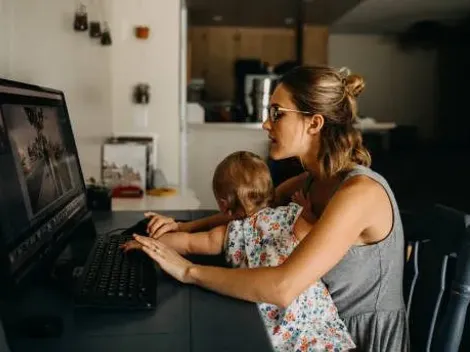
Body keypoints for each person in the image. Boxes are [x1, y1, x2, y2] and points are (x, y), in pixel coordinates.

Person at [133, 65, 409, 351]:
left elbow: (282, 287)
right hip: (306, 328)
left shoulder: (359, 193)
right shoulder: (310, 180)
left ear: (314, 124)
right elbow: (253, 215)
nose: (267, 123)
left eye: (277, 113)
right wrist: (182, 227)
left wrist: (188, 271)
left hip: (351, 339)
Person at [124, 151, 356, 352]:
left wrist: (147, 242)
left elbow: (186, 243)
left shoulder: (230, 233)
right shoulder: (292, 215)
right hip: (312, 319)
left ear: (224, 204)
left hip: (272, 322)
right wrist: (307, 212)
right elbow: (308, 233)